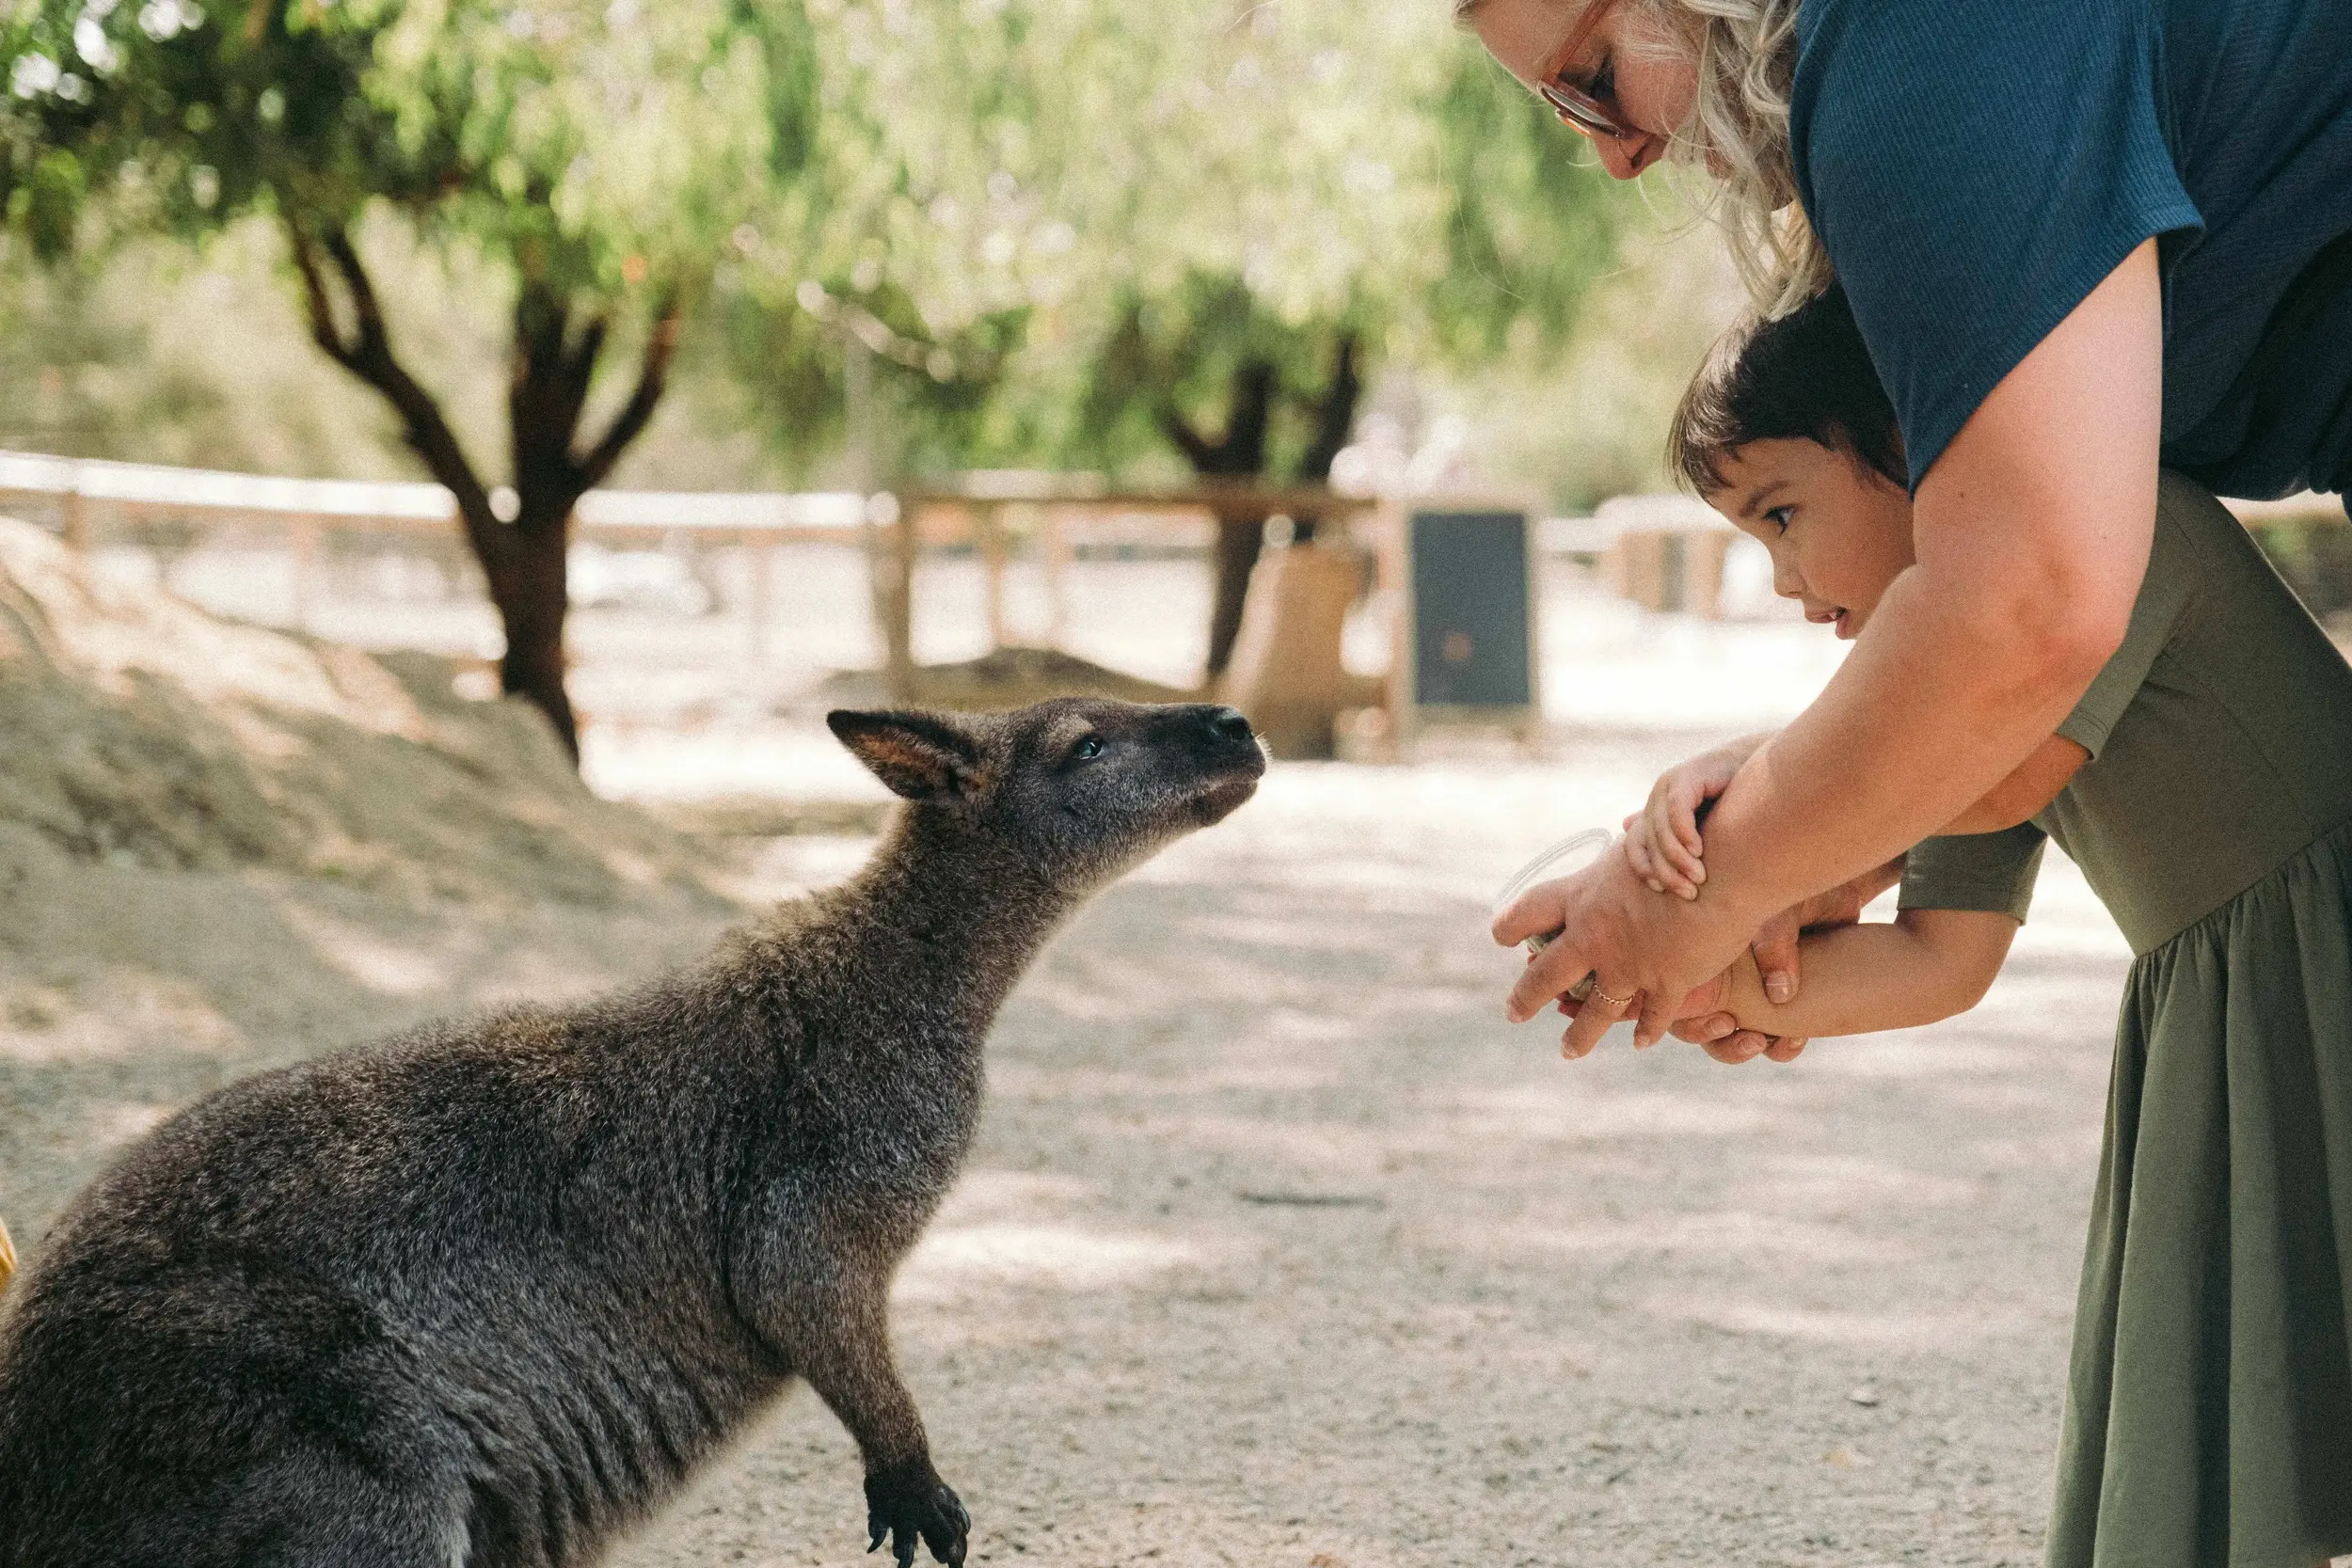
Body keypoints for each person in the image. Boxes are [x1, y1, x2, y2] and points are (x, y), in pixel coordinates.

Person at [1605, 283, 2352, 1567]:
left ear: (1910, 438)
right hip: (2229, 1008)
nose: (1782, 579)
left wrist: (1755, 795)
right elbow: (1940, 956)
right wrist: (1710, 982)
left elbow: (1988, 784)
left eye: (1783, 515)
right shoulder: (1955, 665)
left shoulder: (2114, 537)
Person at [1464, 0, 2352, 1068]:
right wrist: (1781, 876)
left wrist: (1712, 881)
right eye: (1570, 113)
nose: (1616, 156)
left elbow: (2026, 605)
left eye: (1595, 78)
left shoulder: (1918, 39)